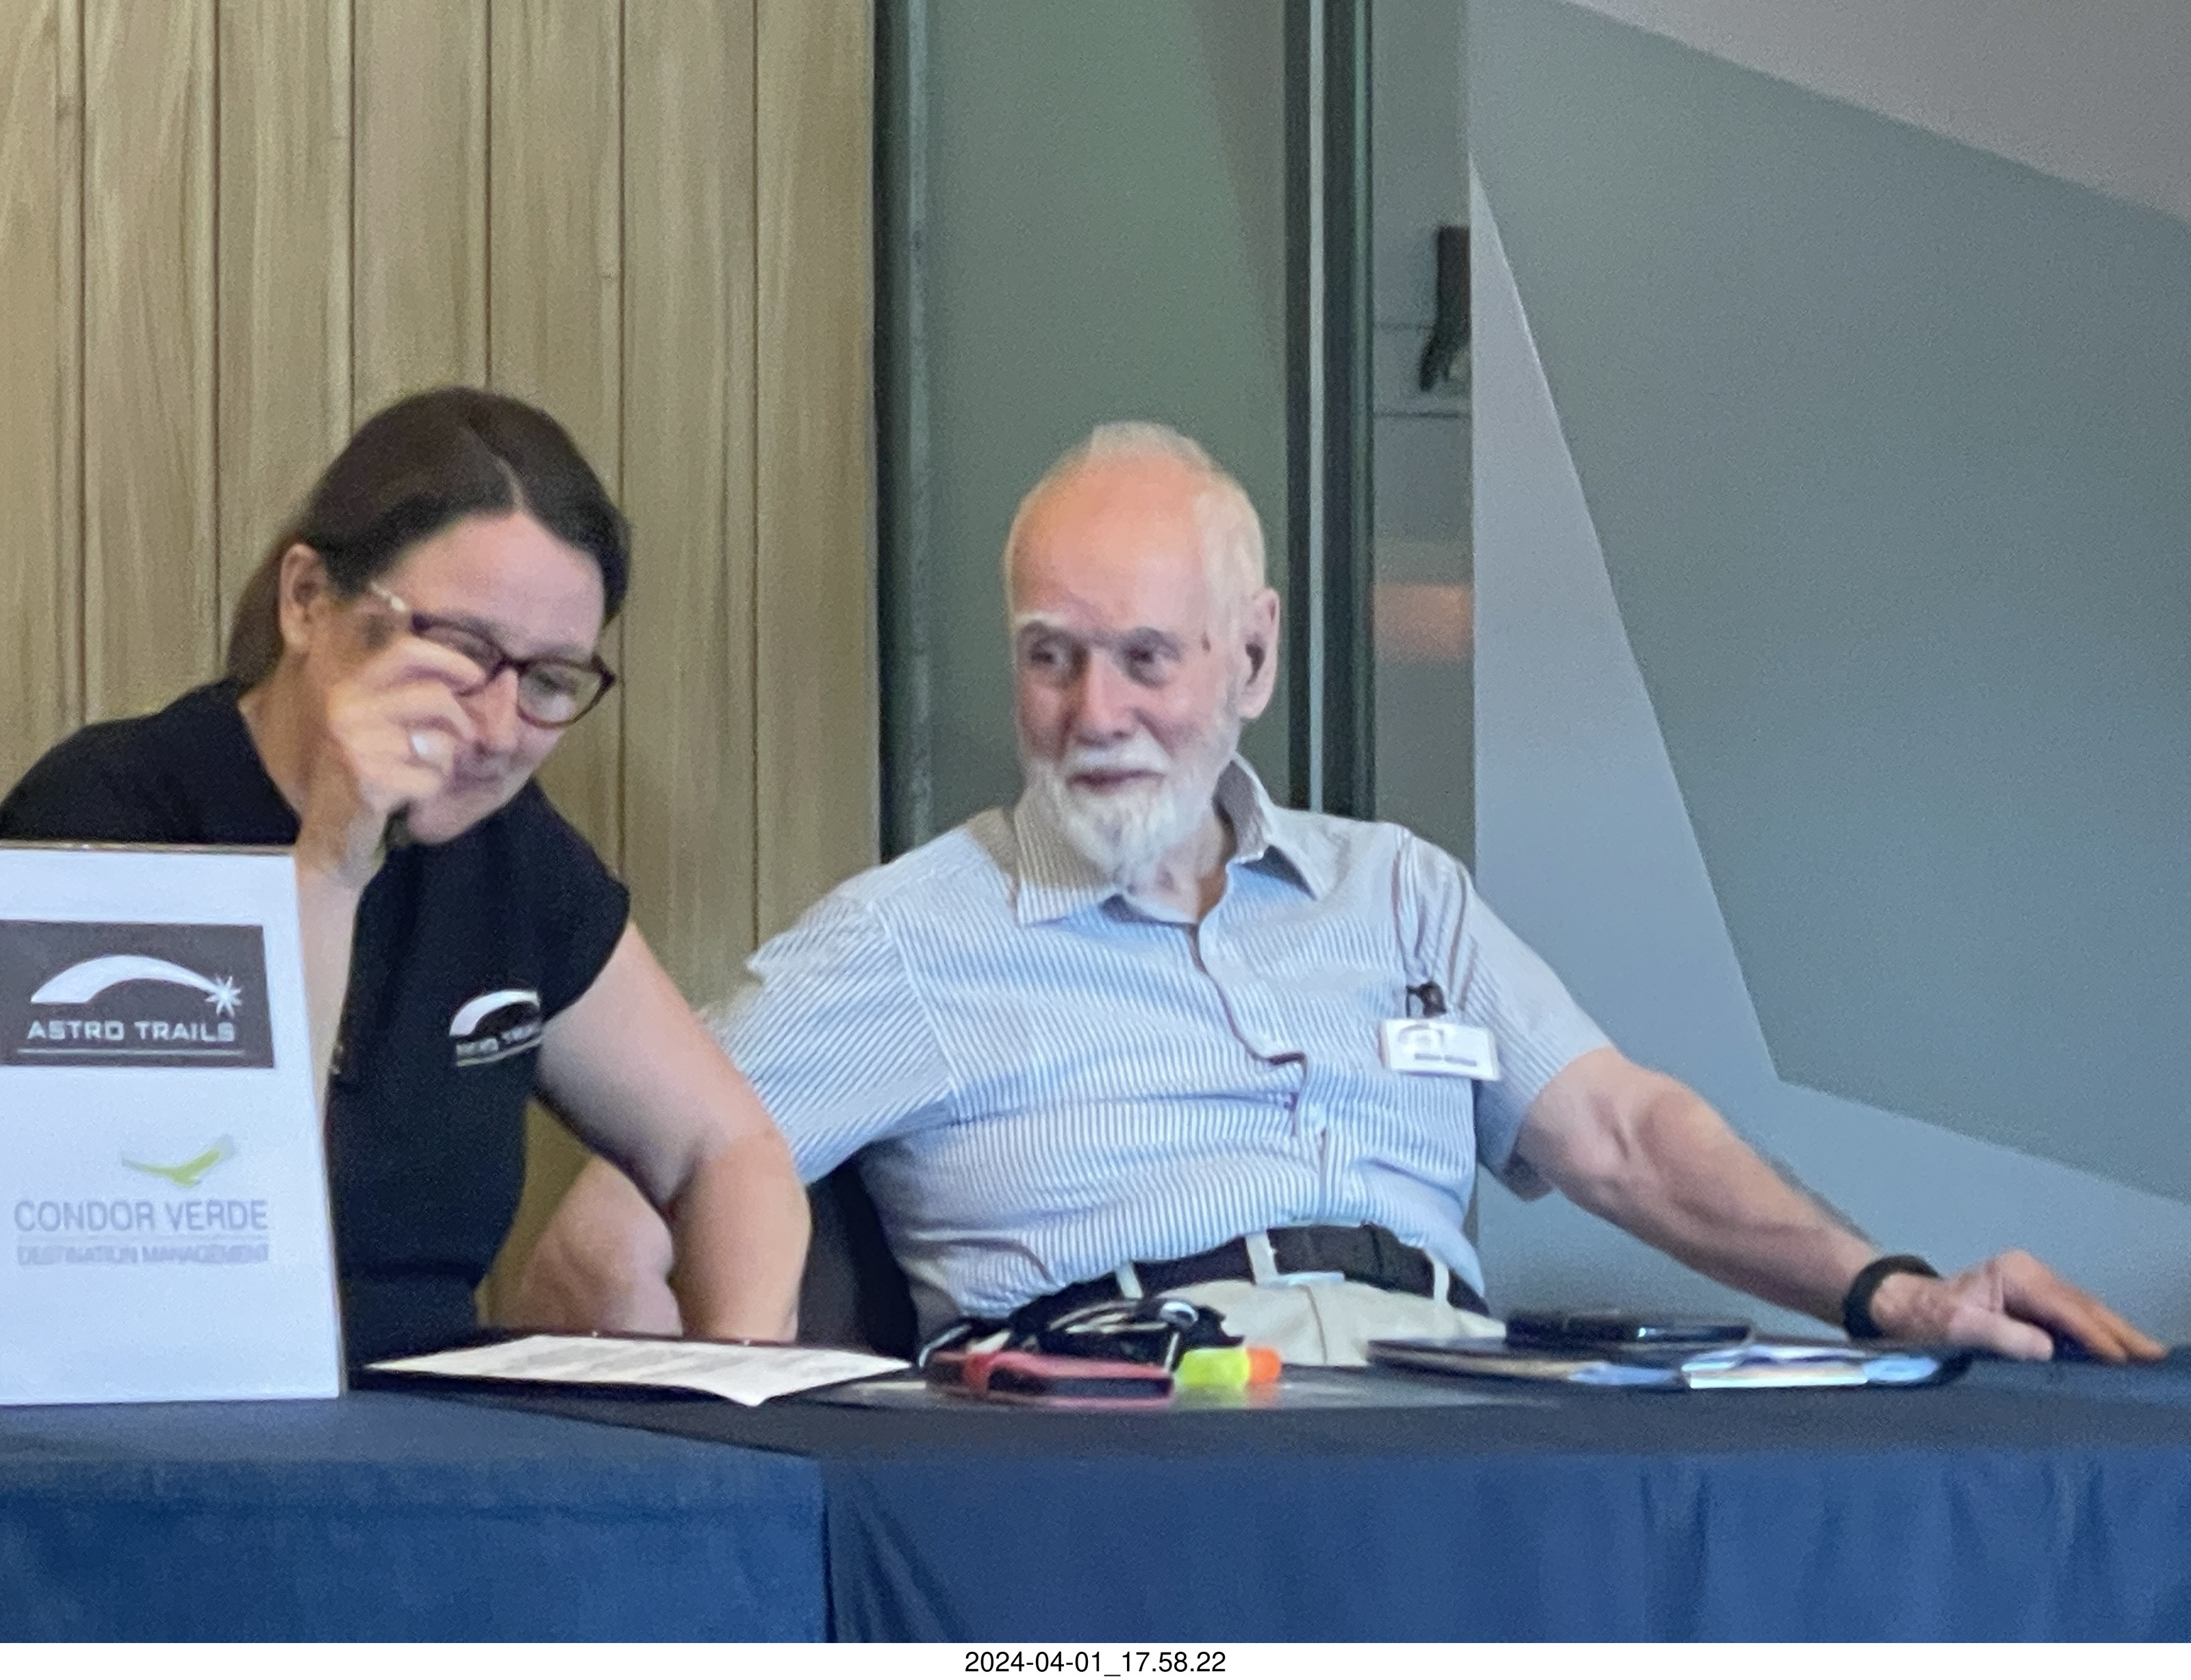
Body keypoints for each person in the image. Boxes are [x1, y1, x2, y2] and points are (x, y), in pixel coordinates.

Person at [517, 421, 2162, 1366]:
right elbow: (596, 1254)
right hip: (1117, 1449)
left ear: (1253, 657)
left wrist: (1893, 1294)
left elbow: (1621, 1138)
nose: (1095, 714)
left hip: (1450, 1417)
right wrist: (791, 1482)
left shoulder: (1397, 895)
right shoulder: (910, 938)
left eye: (1146, 658)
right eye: (1050, 658)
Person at [0, 387, 808, 1364]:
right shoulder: (107, 816)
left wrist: (740, 1377)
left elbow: (729, 1153)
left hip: (435, 1424)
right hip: (178, 1412)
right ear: (308, 601)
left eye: (550, 680)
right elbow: (205, 1229)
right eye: (460, 652)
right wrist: (332, 863)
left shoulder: (511, 851)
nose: (499, 727)